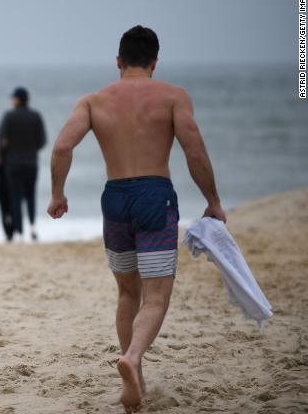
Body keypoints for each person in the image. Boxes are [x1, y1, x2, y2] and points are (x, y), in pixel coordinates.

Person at [46, 25, 226, 413]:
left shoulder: (94, 101)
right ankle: (133, 358)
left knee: (128, 292)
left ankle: (136, 378)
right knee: (156, 297)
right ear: (155, 62)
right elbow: (194, 151)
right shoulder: (174, 97)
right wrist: (213, 201)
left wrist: (58, 194)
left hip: (115, 199)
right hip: (154, 197)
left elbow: (62, 146)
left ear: (118, 61)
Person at [0, 87, 46, 241]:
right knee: (31, 195)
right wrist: (31, 148)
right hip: (31, 162)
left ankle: (19, 232)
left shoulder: (9, 116)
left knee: (15, 196)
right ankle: (33, 227)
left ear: (16, 99)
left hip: (13, 163)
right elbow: (42, 141)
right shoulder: (36, 116)